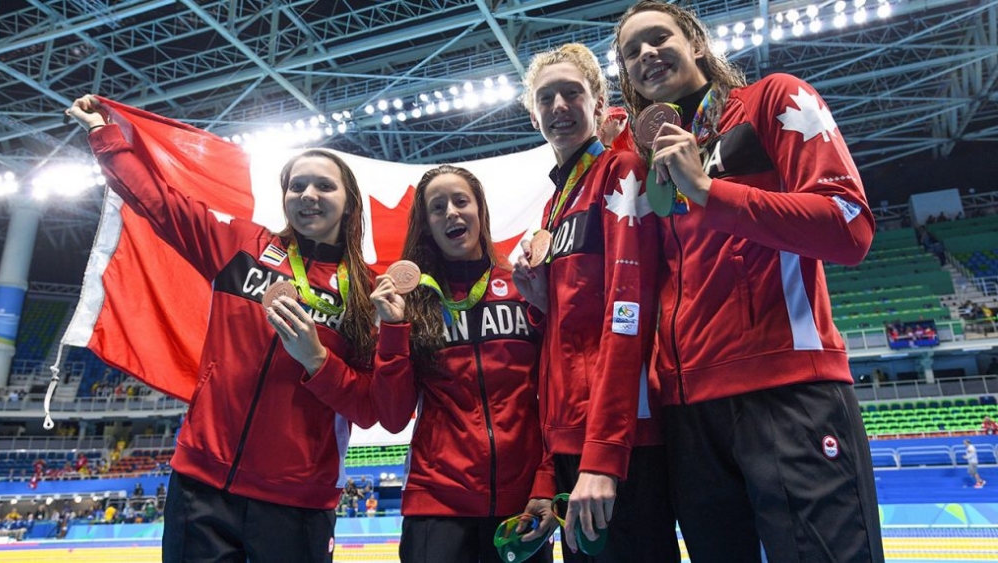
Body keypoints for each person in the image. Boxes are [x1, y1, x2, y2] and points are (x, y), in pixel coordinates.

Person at [613, 2, 884, 562]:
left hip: (785, 389)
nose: (645, 55)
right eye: (629, 52)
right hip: (689, 412)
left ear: (695, 41)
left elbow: (850, 227)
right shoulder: (649, 162)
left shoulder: (772, 101)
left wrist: (711, 192)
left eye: (658, 37)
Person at [67, 95, 379, 563]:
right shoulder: (242, 246)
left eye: (323, 186)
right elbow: (159, 204)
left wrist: (317, 359)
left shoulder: (365, 293)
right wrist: (105, 137)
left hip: (296, 497)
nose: (308, 195)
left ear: (349, 201)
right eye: (297, 186)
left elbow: (369, 404)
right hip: (202, 482)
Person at [513, 44, 680, 562]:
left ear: (597, 101)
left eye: (572, 93)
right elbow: (560, 341)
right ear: (532, 111)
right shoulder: (555, 203)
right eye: (546, 98)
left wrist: (605, 454)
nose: (559, 106)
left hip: (620, 441)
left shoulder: (620, 172)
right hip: (571, 441)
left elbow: (626, 313)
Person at [371, 165, 555, 563]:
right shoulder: (413, 303)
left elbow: (556, 394)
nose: (451, 213)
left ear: (480, 212)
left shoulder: (522, 288)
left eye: (460, 201)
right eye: (438, 208)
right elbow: (392, 415)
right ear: (427, 226)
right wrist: (392, 329)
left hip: (521, 504)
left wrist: (546, 478)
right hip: (436, 505)